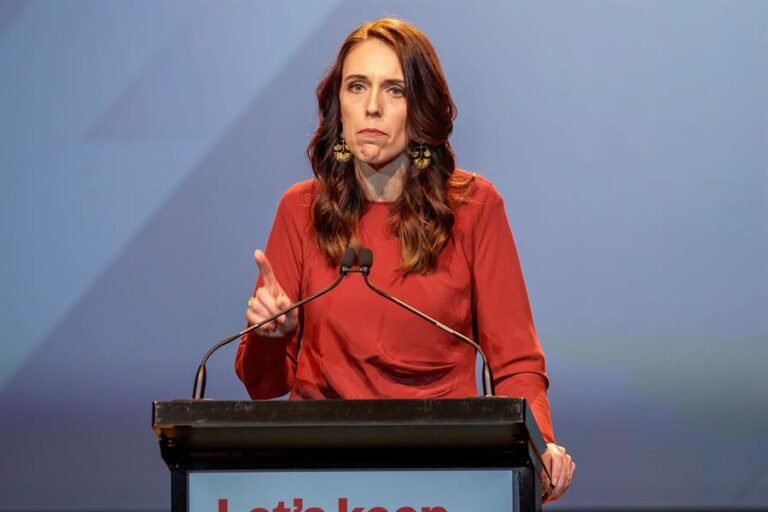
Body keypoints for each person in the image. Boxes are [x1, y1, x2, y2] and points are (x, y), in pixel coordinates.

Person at [235, 18, 574, 502]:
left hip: (447, 477)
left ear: (421, 109)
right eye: (357, 86)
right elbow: (263, 385)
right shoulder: (301, 209)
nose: (372, 105)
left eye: (394, 90)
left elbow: (515, 363)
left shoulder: (475, 207)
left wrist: (543, 445)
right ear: (338, 104)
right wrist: (270, 336)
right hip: (322, 480)